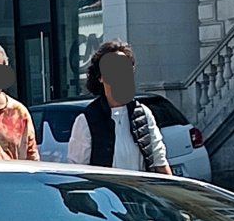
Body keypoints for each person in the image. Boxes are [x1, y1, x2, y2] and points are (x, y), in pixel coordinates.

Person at [67, 41, 172, 174]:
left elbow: (159, 162)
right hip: (106, 194)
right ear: (100, 76)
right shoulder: (86, 120)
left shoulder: (143, 114)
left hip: (139, 192)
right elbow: (78, 172)